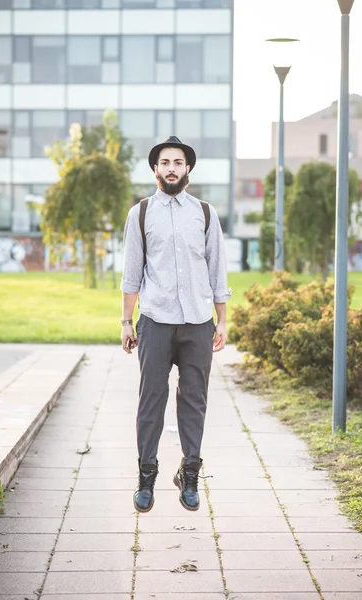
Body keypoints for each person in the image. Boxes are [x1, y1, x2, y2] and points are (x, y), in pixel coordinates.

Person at [120, 136, 231, 513]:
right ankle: (146, 477)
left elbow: (217, 269)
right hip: (154, 320)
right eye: (165, 162)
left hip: (199, 322)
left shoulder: (204, 213)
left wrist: (222, 321)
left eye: (178, 162)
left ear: (187, 169)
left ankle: (190, 473)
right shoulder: (140, 213)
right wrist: (126, 321)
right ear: (155, 169)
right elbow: (131, 273)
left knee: (194, 401)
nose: (171, 168)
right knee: (151, 399)